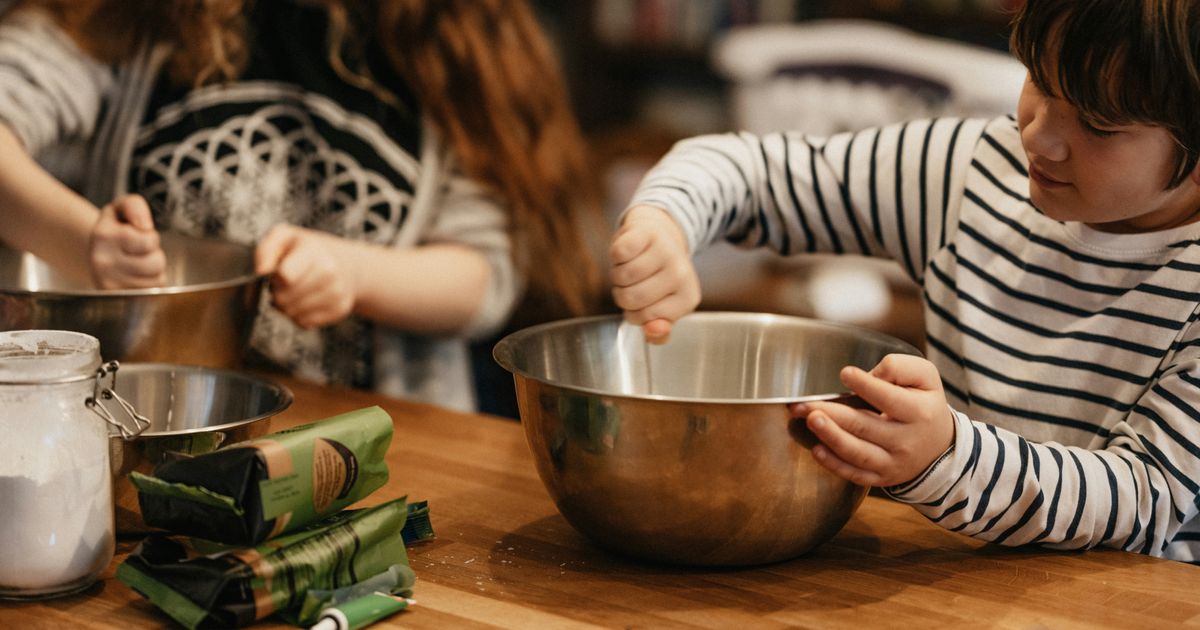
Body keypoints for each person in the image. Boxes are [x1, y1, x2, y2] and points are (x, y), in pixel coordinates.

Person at [609, 0, 1200, 562]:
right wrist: (665, 222)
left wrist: (945, 456)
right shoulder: (973, 170)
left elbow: (1144, 500)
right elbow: (749, 172)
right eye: (1041, 82)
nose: (1038, 137)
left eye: (1097, 125)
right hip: (947, 580)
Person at [0, 0, 602, 411]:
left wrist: (356, 274)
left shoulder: (455, 43)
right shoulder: (129, 17)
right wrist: (84, 243)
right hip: (138, 421)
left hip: (373, 448)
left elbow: (484, 276)